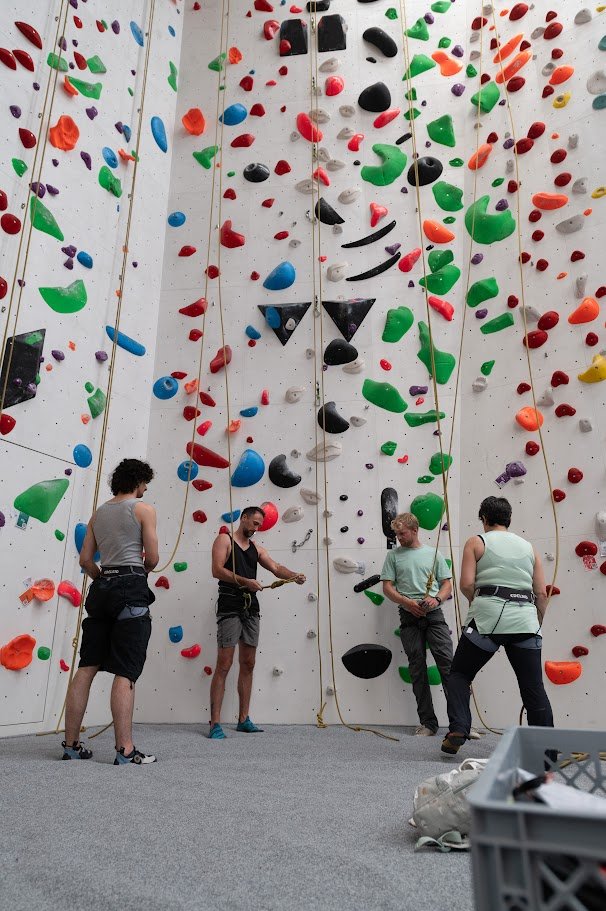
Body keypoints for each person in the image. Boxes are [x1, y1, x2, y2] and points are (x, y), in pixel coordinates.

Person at [61, 458, 159, 765]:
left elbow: (85, 561)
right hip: (130, 586)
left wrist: (102, 577)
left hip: (102, 590)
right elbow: (153, 558)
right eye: (145, 483)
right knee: (126, 670)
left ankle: (71, 745)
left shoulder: (98, 514)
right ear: (138, 481)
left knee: (87, 666)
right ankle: (125, 750)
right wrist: (139, 574)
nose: (145, 489)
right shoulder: (143, 509)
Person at [441, 496, 553, 756]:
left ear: (484, 518)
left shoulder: (477, 542)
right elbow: (541, 593)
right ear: (508, 519)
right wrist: (535, 622)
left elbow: (466, 584)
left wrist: (479, 605)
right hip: (525, 620)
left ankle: (459, 728)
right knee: (533, 687)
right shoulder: (529, 547)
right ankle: (547, 752)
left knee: (459, 675)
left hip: (488, 618)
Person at [209, 506, 305, 739]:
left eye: (260, 525)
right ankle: (215, 723)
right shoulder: (224, 540)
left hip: (251, 608)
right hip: (230, 606)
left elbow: (276, 568)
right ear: (243, 518)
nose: (256, 528)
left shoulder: (257, 549)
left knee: (248, 663)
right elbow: (217, 570)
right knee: (224, 664)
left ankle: (244, 719)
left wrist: (294, 575)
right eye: (254, 523)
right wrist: (246, 581)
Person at [381, 513, 453, 736]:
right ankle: (428, 724)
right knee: (417, 669)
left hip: (434, 616)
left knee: (448, 667)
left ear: (415, 530)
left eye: (402, 533)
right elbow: (387, 588)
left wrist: (437, 599)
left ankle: (460, 725)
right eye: (397, 534)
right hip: (409, 617)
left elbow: (447, 585)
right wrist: (407, 603)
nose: (399, 538)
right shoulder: (393, 556)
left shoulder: (434, 554)